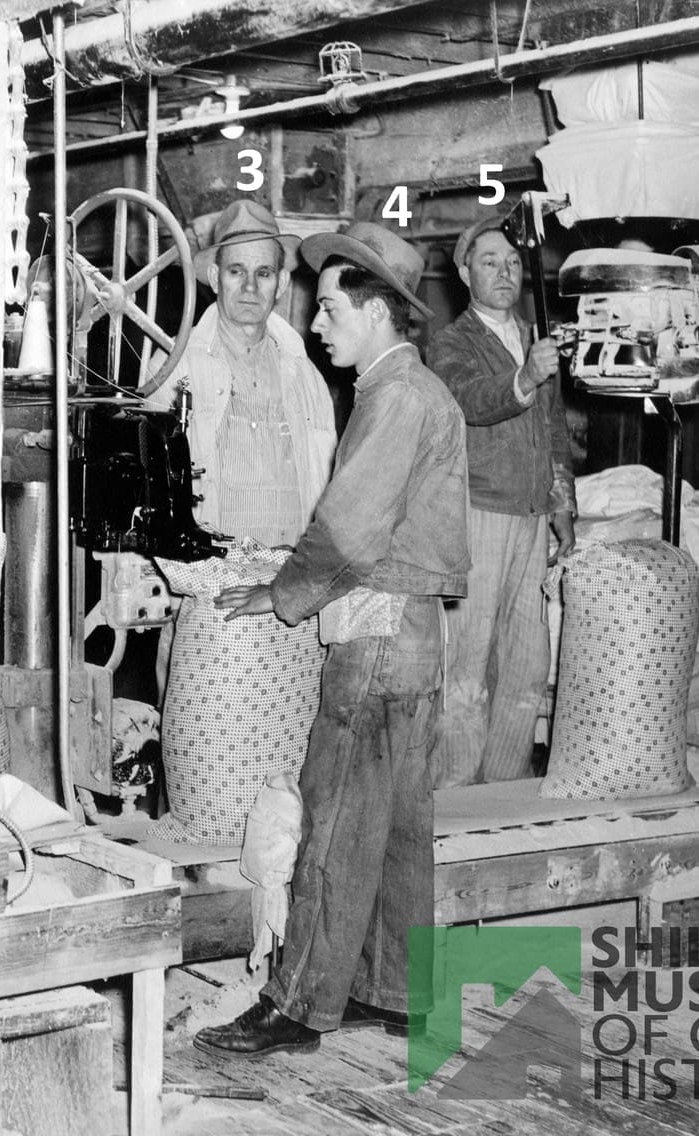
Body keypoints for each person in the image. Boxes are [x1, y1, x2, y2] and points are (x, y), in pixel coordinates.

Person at [194, 222, 470, 1058]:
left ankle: (296, 1003)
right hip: (413, 632)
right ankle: (391, 991)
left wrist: (281, 593)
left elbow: (348, 529)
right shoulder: (413, 392)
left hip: (377, 625)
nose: (314, 325)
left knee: (336, 812)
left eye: (330, 310)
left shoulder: (394, 397)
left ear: (379, 313)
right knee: (395, 827)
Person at [144, 199, 336, 696]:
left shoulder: (305, 372)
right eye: (236, 271)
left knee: (287, 745)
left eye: (264, 272)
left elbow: (326, 485)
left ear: (283, 283)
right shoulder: (174, 369)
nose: (250, 287)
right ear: (212, 276)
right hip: (211, 598)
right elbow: (148, 489)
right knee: (201, 747)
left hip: (287, 594)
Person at [426, 215, 577, 788]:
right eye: (490, 261)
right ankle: (457, 792)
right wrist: (524, 377)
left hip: (533, 517)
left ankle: (507, 787)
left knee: (527, 662)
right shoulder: (450, 343)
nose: (505, 272)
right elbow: (470, 400)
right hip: (479, 514)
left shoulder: (534, 337)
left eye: (513, 262)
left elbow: (555, 426)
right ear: (466, 273)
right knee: (467, 664)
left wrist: (562, 501)